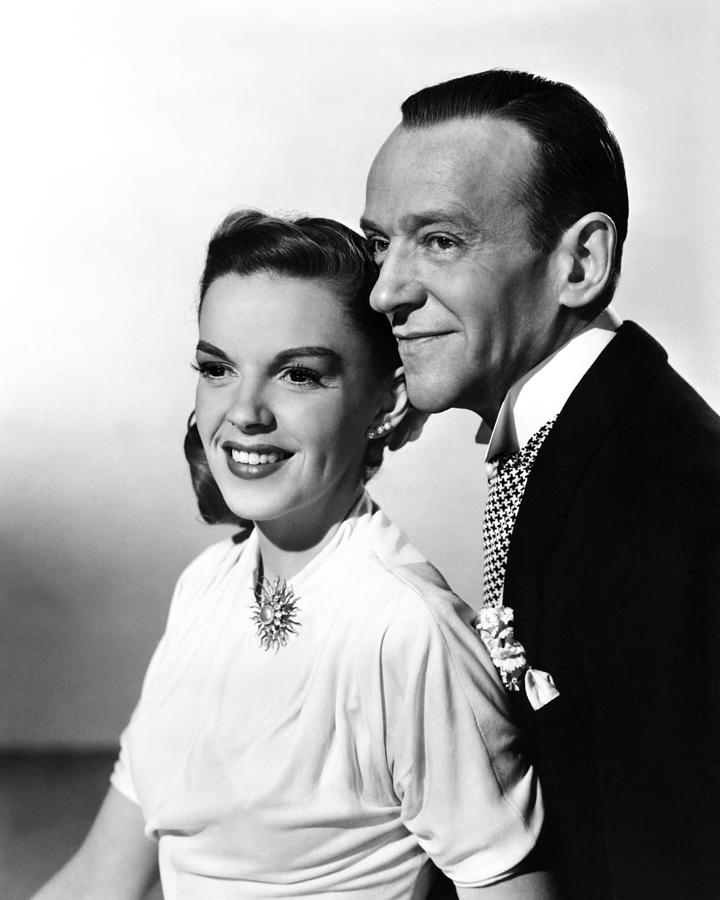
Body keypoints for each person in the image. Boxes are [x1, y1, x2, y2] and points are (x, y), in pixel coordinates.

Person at [30, 211, 558, 899]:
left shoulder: (405, 632)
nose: (244, 411)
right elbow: (102, 878)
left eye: (299, 375)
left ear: (388, 401)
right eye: (218, 369)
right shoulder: (206, 588)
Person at [362, 69, 720, 900]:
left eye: (441, 241)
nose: (385, 290)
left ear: (581, 262)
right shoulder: (586, 443)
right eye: (381, 243)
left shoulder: (667, 507)